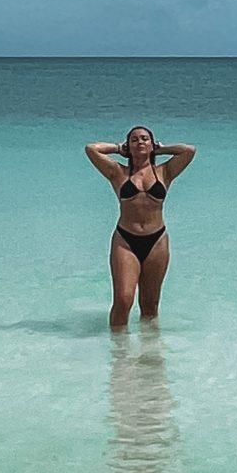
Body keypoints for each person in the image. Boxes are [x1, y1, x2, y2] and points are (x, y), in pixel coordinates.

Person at [85, 126, 196, 328]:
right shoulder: (118, 173)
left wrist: (160, 150)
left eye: (145, 139)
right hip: (126, 240)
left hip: (157, 241)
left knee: (150, 306)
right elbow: (91, 149)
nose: (140, 142)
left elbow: (189, 151)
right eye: (134, 140)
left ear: (151, 144)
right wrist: (119, 148)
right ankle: (120, 354)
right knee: (123, 300)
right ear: (129, 145)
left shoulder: (165, 172)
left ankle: (150, 354)